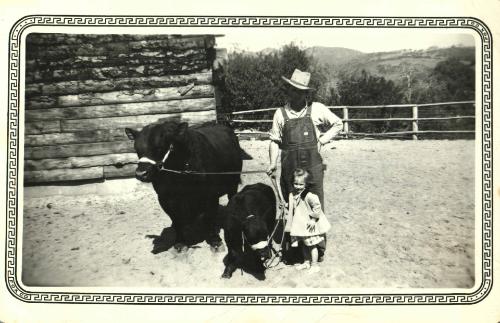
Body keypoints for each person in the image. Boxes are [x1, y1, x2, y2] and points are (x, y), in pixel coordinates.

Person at [267, 68, 343, 263]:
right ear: (289, 91)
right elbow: (274, 141)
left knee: (315, 206)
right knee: (291, 208)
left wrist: (323, 140)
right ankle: (295, 249)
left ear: (306, 94)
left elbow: (338, 124)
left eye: (300, 91)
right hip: (290, 171)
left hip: (314, 170)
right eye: (293, 90)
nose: (296, 94)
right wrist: (272, 163)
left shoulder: (317, 109)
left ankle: (318, 247)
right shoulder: (280, 114)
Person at [286, 168, 331, 273]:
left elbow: (317, 207)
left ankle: (314, 265)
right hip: (301, 226)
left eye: (301, 184)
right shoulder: (294, 194)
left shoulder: (309, 196)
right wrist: (287, 205)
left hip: (309, 226)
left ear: (306, 184)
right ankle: (307, 262)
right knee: (305, 245)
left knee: (312, 246)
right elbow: (295, 205)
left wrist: (313, 219)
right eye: (295, 184)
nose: (298, 186)